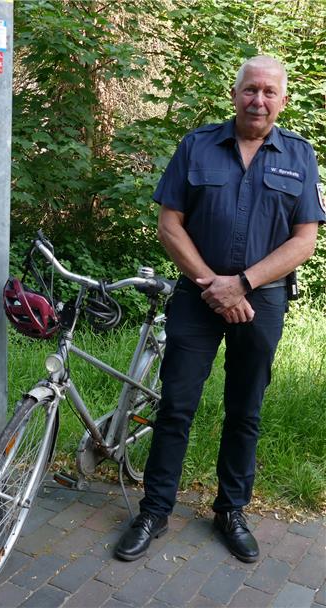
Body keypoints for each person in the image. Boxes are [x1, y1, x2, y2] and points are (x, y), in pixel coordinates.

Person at [115, 56, 324, 563]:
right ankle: (154, 510)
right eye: (250, 89)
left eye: (269, 92)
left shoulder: (300, 155)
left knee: (245, 411)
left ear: (283, 100)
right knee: (176, 407)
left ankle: (231, 510)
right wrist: (214, 286)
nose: (259, 100)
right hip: (196, 297)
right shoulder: (197, 145)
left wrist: (244, 284)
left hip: (264, 301)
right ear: (235, 95)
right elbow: (170, 224)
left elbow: (306, 240)